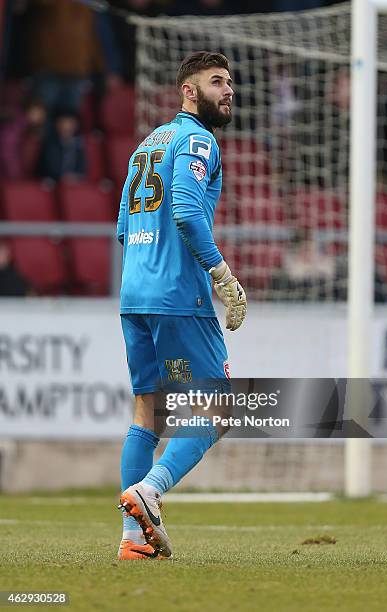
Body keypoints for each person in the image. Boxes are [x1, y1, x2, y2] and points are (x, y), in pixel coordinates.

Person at [116, 51, 247, 560]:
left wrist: (144, 279)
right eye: (217, 82)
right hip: (179, 297)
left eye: (230, 82)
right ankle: (150, 492)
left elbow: (124, 229)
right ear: (189, 92)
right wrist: (220, 274)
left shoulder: (146, 145)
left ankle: (132, 542)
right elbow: (188, 210)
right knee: (217, 408)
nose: (228, 90)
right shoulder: (198, 138)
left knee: (149, 410)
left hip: (135, 297)